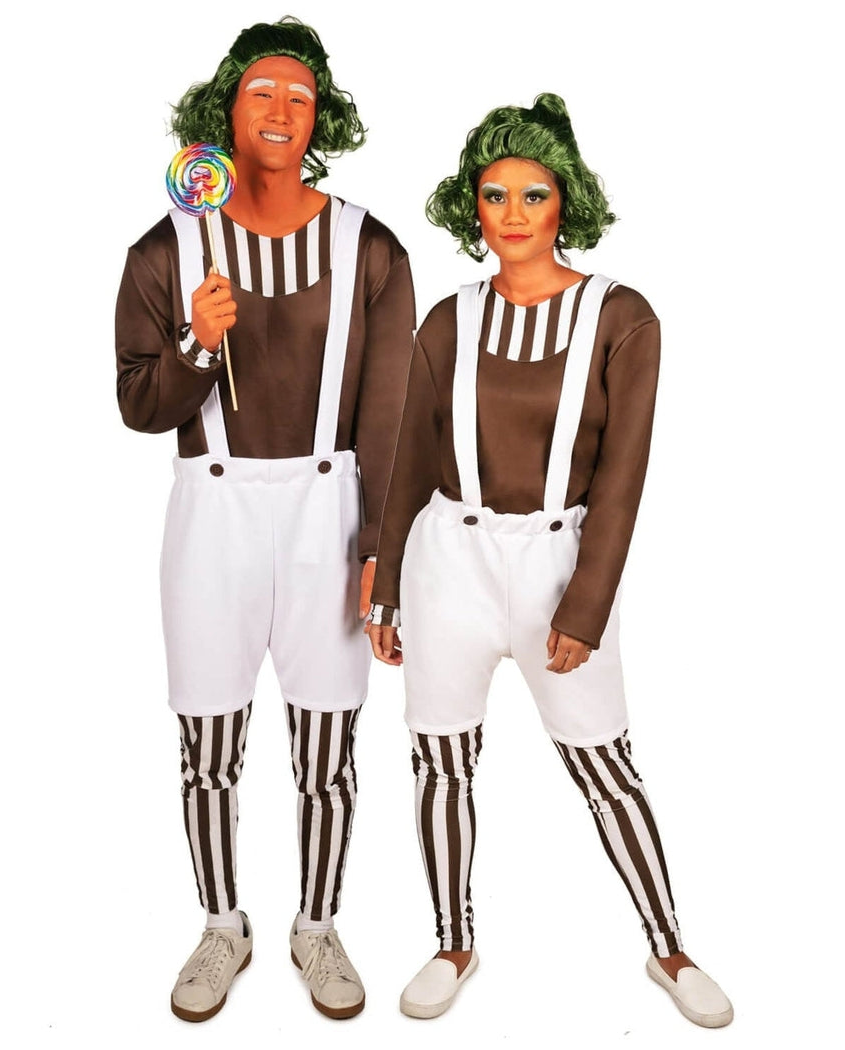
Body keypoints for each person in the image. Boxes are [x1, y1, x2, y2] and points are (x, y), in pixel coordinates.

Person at [367, 93, 732, 1029]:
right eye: (495, 195)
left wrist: (587, 603)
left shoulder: (623, 317)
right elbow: (411, 455)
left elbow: (622, 475)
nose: (515, 214)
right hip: (449, 559)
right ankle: (452, 940)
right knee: (441, 759)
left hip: (557, 563)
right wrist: (386, 580)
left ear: (566, 199)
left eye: (535, 194)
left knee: (605, 762)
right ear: (472, 206)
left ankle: (669, 945)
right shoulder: (449, 319)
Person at [115, 17, 414, 1023]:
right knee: (208, 740)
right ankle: (222, 924)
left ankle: (316, 925)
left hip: (332, 508)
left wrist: (381, 550)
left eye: (301, 95)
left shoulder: (370, 247)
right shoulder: (167, 250)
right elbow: (138, 404)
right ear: (226, 111)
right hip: (212, 510)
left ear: (320, 117)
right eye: (261, 91)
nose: (282, 110)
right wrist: (198, 345)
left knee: (328, 744)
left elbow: (392, 409)